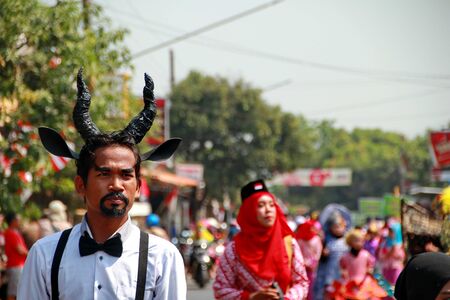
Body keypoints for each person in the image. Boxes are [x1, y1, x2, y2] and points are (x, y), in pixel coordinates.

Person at [17, 69, 186, 300]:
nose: (116, 184)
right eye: (104, 174)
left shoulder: (163, 257)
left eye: (126, 175)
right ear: (81, 185)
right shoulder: (45, 254)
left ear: (137, 187)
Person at [213, 179, 309, 299]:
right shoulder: (233, 250)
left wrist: (287, 298)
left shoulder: (289, 244)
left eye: (271, 204)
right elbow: (220, 289)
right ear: (249, 211)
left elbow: (302, 283)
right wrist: (251, 297)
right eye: (260, 205)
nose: (268, 209)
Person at [326, 229, 387, 300]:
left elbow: (370, 268)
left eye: (362, 241)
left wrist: (371, 272)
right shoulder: (345, 256)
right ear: (350, 242)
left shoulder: (366, 255)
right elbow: (342, 270)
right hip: (350, 284)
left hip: (364, 283)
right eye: (357, 241)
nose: (360, 243)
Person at [313, 211, 349, 300]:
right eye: (335, 227)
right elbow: (320, 259)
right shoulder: (327, 241)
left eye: (340, 227)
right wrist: (324, 254)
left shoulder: (348, 242)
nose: (338, 229)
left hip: (344, 276)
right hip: (329, 275)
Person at [295, 218, 323, 300]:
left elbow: (318, 253)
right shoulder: (299, 239)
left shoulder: (316, 239)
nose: (313, 230)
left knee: (310, 287)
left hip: (311, 268)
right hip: (300, 267)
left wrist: (312, 263)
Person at [4, 212, 28, 300]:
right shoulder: (11, 233)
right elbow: (20, 250)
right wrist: (32, 254)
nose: (20, 221)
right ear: (13, 221)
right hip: (16, 266)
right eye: (18, 219)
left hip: (17, 266)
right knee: (14, 292)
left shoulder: (14, 232)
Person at [378, 221, 405, 285]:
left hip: (396, 268)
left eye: (392, 231)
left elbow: (401, 257)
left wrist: (394, 249)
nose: (390, 233)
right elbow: (380, 255)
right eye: (389, 231)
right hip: (386, 268)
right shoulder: (384, 243)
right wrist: (388, 254)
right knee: (386, 287)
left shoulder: (400, 244)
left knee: (395, 285)